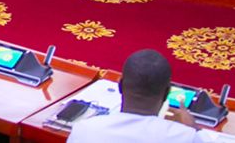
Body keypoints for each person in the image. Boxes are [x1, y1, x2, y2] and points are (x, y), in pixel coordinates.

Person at [67, 49, 200, 142]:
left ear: (120, 86)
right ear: (166, 93)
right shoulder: (185, 137)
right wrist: (196, 130)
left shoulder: (85, 129)